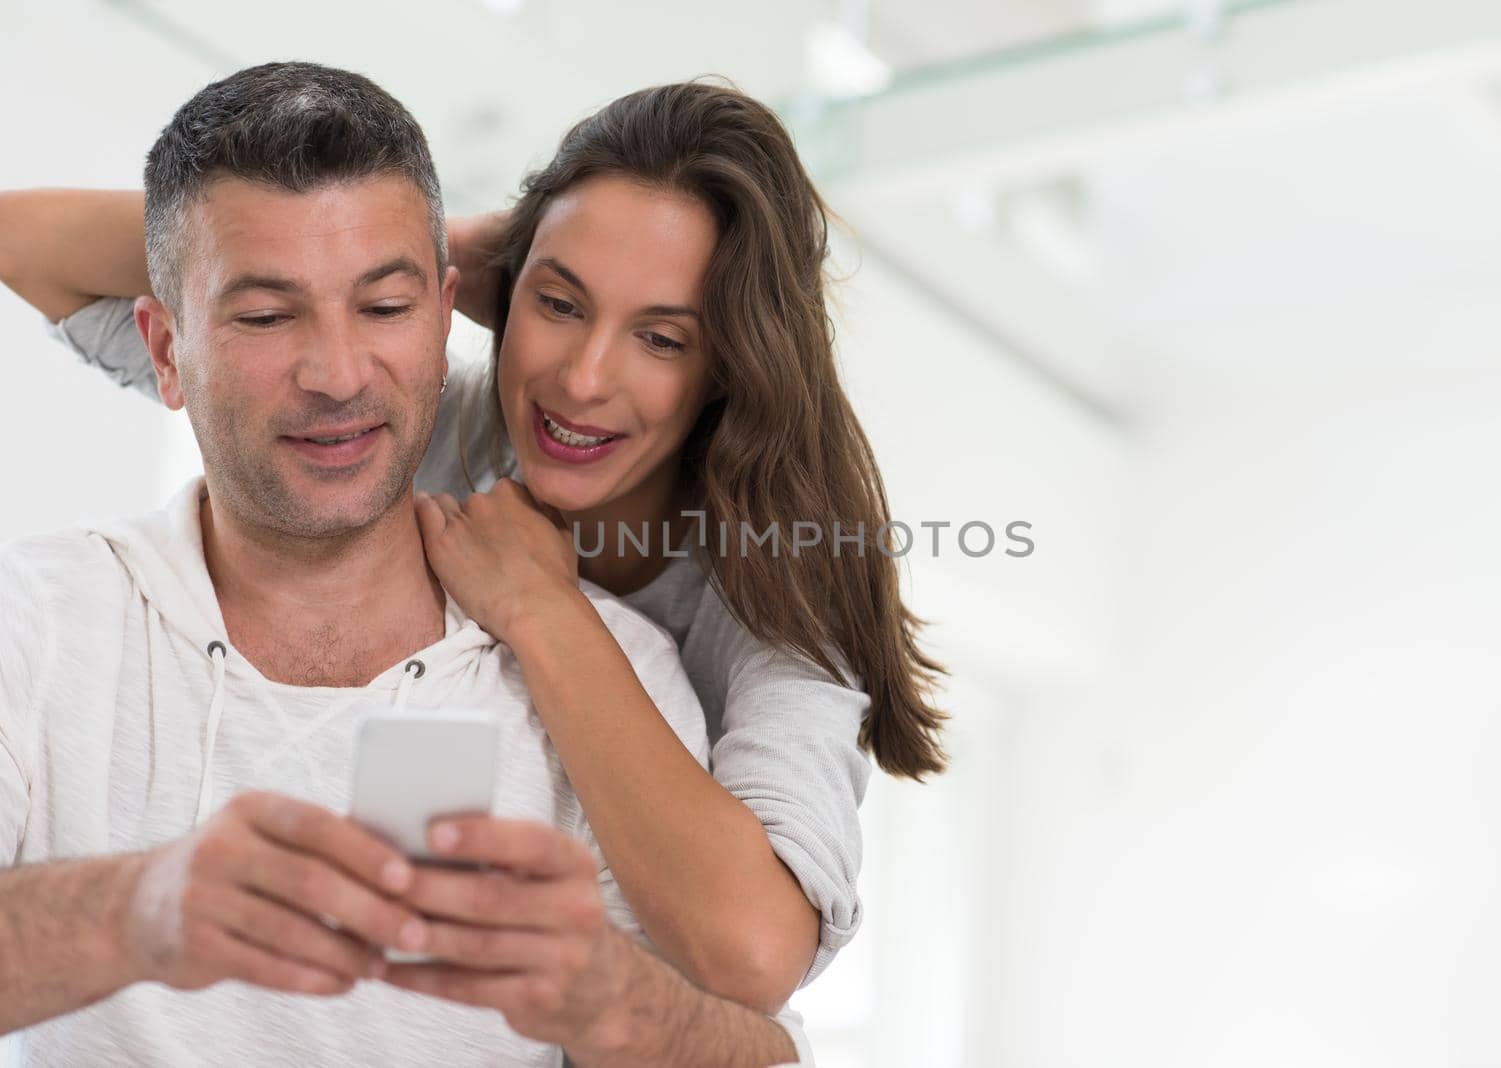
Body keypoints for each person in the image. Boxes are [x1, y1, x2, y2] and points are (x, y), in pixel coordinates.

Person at [2, 74, 950, 1019]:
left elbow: (753, 957)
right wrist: (386, 252)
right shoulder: (404, 419)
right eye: (561, 303)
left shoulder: (779, 587)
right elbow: (25, 243)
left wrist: (542, 607)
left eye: (661, 339)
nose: (582, 380)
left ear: (730, 362)